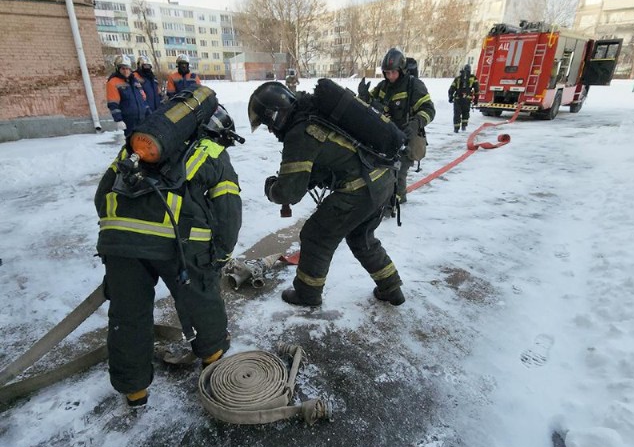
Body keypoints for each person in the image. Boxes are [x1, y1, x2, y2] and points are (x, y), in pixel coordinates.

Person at [94, 101, 242, 408]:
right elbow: (228, 211)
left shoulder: (138, 148)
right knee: (200, 299)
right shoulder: (211, 152)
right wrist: (222, 254)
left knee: (128, 315)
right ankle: (213, 358)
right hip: (177, 245)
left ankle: (134, 392)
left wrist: (119, 235)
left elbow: (102, 193)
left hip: (119, 243)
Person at [248, 82, 405, 307]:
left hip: (359, 188)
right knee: (361, 238)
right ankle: (391, 288)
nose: (271, 131)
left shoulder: (299, 132)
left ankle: (307, 294)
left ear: (274, 115)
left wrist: (271, 188)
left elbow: (288, 192)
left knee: (316, 236)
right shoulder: (313, 114)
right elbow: (328, 158)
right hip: (382, 180)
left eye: (267, 124)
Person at [358, 48, 435, 204]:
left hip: (407, 137)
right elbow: (369, 105)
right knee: (381, 170)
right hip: (387, 136)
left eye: (393, 72)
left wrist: (416, 123)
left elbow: (429, 109)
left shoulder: (414, 86)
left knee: (398, 171)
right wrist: (364, 96)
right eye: (387, 72)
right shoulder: (382, 87)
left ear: (402, 70)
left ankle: (397, 199)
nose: (390, 76)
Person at [106, 55, 151, 137]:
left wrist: (149, 113)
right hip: (129, 120)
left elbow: (143, 99)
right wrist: (118, 119)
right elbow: (113, 103)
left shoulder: (135, 81)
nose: (126, 71)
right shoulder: (113, 82)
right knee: (132, 143)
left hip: (142, 117)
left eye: (127, 68)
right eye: (123, 68)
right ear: (118, 68)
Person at [448, 64, 480, 133]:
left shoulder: (458, 78)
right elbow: (477, 90)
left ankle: (456, 129)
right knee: (465, 113)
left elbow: (451, 89)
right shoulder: (473, 78)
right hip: (467, 99)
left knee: (457, 113)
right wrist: (476, 100)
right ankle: (464, 127)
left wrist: (450, 97)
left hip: (457, 99)